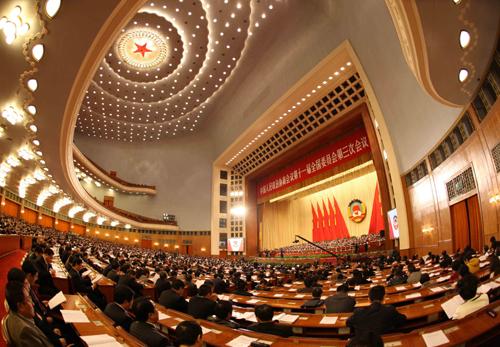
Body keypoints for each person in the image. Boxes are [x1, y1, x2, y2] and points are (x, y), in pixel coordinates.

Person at [4, 280, 54, 347]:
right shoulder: (25, 330)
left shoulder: (11, 315)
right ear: (20, 306)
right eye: (28, 299)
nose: (33, 303)